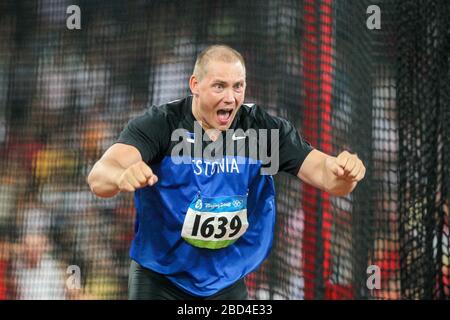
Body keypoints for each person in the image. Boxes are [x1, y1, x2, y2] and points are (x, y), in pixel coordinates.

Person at [87, 44, 366, 300]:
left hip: (225, 281)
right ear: (195, 85)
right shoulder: (162, 124)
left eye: (238, 86)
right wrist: (121, 177)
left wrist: (344, 173)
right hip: (161, 279)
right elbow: (100, 177)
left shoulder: (262, 130)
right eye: (219, 86)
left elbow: (328, 178)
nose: (230, 98)